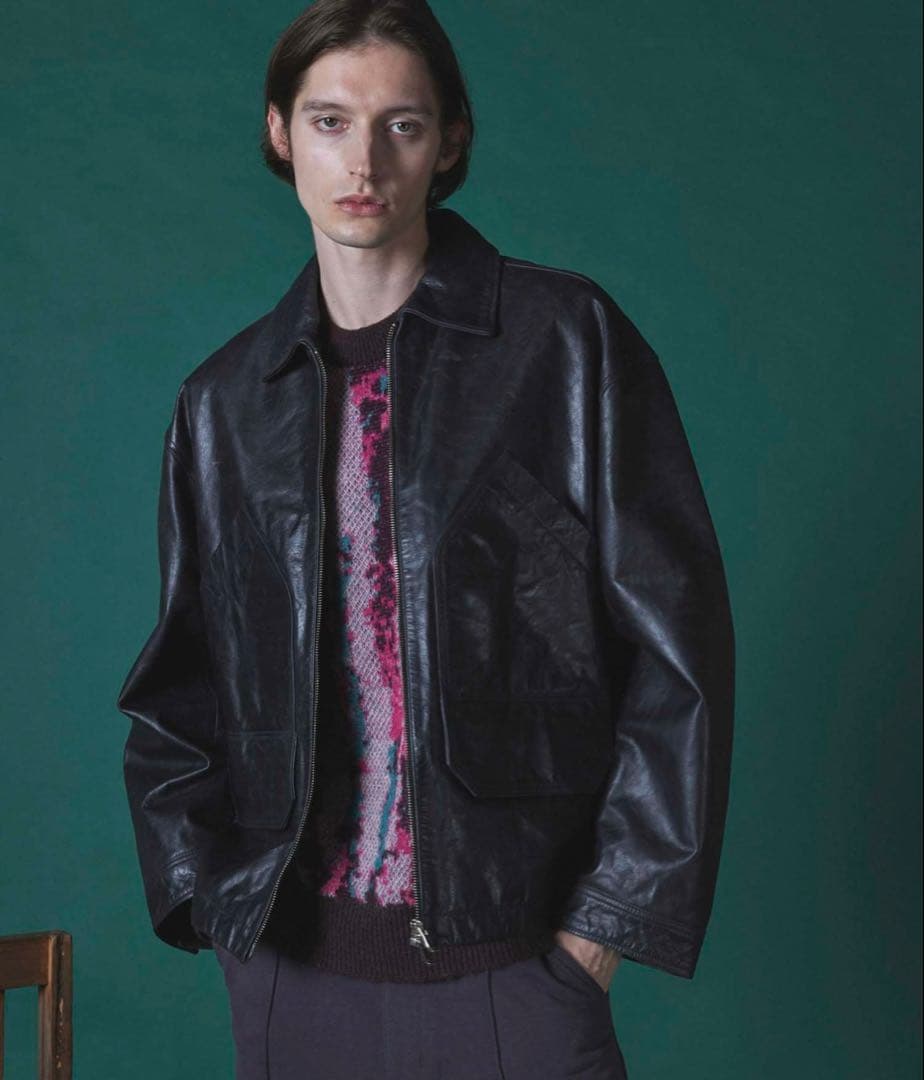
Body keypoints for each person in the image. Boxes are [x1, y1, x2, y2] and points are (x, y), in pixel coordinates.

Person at [116, 2, 735, 1077]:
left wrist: (599, 931)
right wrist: (214, 909)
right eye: (329, 121)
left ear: (450, 141)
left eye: (400, 124)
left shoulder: (562, 343)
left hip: (511, 974)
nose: (363, 161)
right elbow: (181, 686)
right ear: (279, 133)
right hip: (292, 981)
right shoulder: (224, 403)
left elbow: (677, 653)